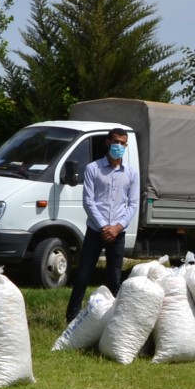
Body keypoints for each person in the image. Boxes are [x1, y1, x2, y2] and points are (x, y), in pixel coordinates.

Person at [65, 127, 138, 322]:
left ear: (126, 145)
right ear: (108, 142)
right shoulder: (93, 168)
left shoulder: (131, 173)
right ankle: (71, 318)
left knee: (114, 279)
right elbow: (89, 201)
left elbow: (132, 204)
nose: (119, 146)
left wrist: (117, 227)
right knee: (83, 276)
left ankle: (114, 320)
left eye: (123, 143)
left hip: (118, 232)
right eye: (116, 142)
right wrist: (105, 226)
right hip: (96, 231)